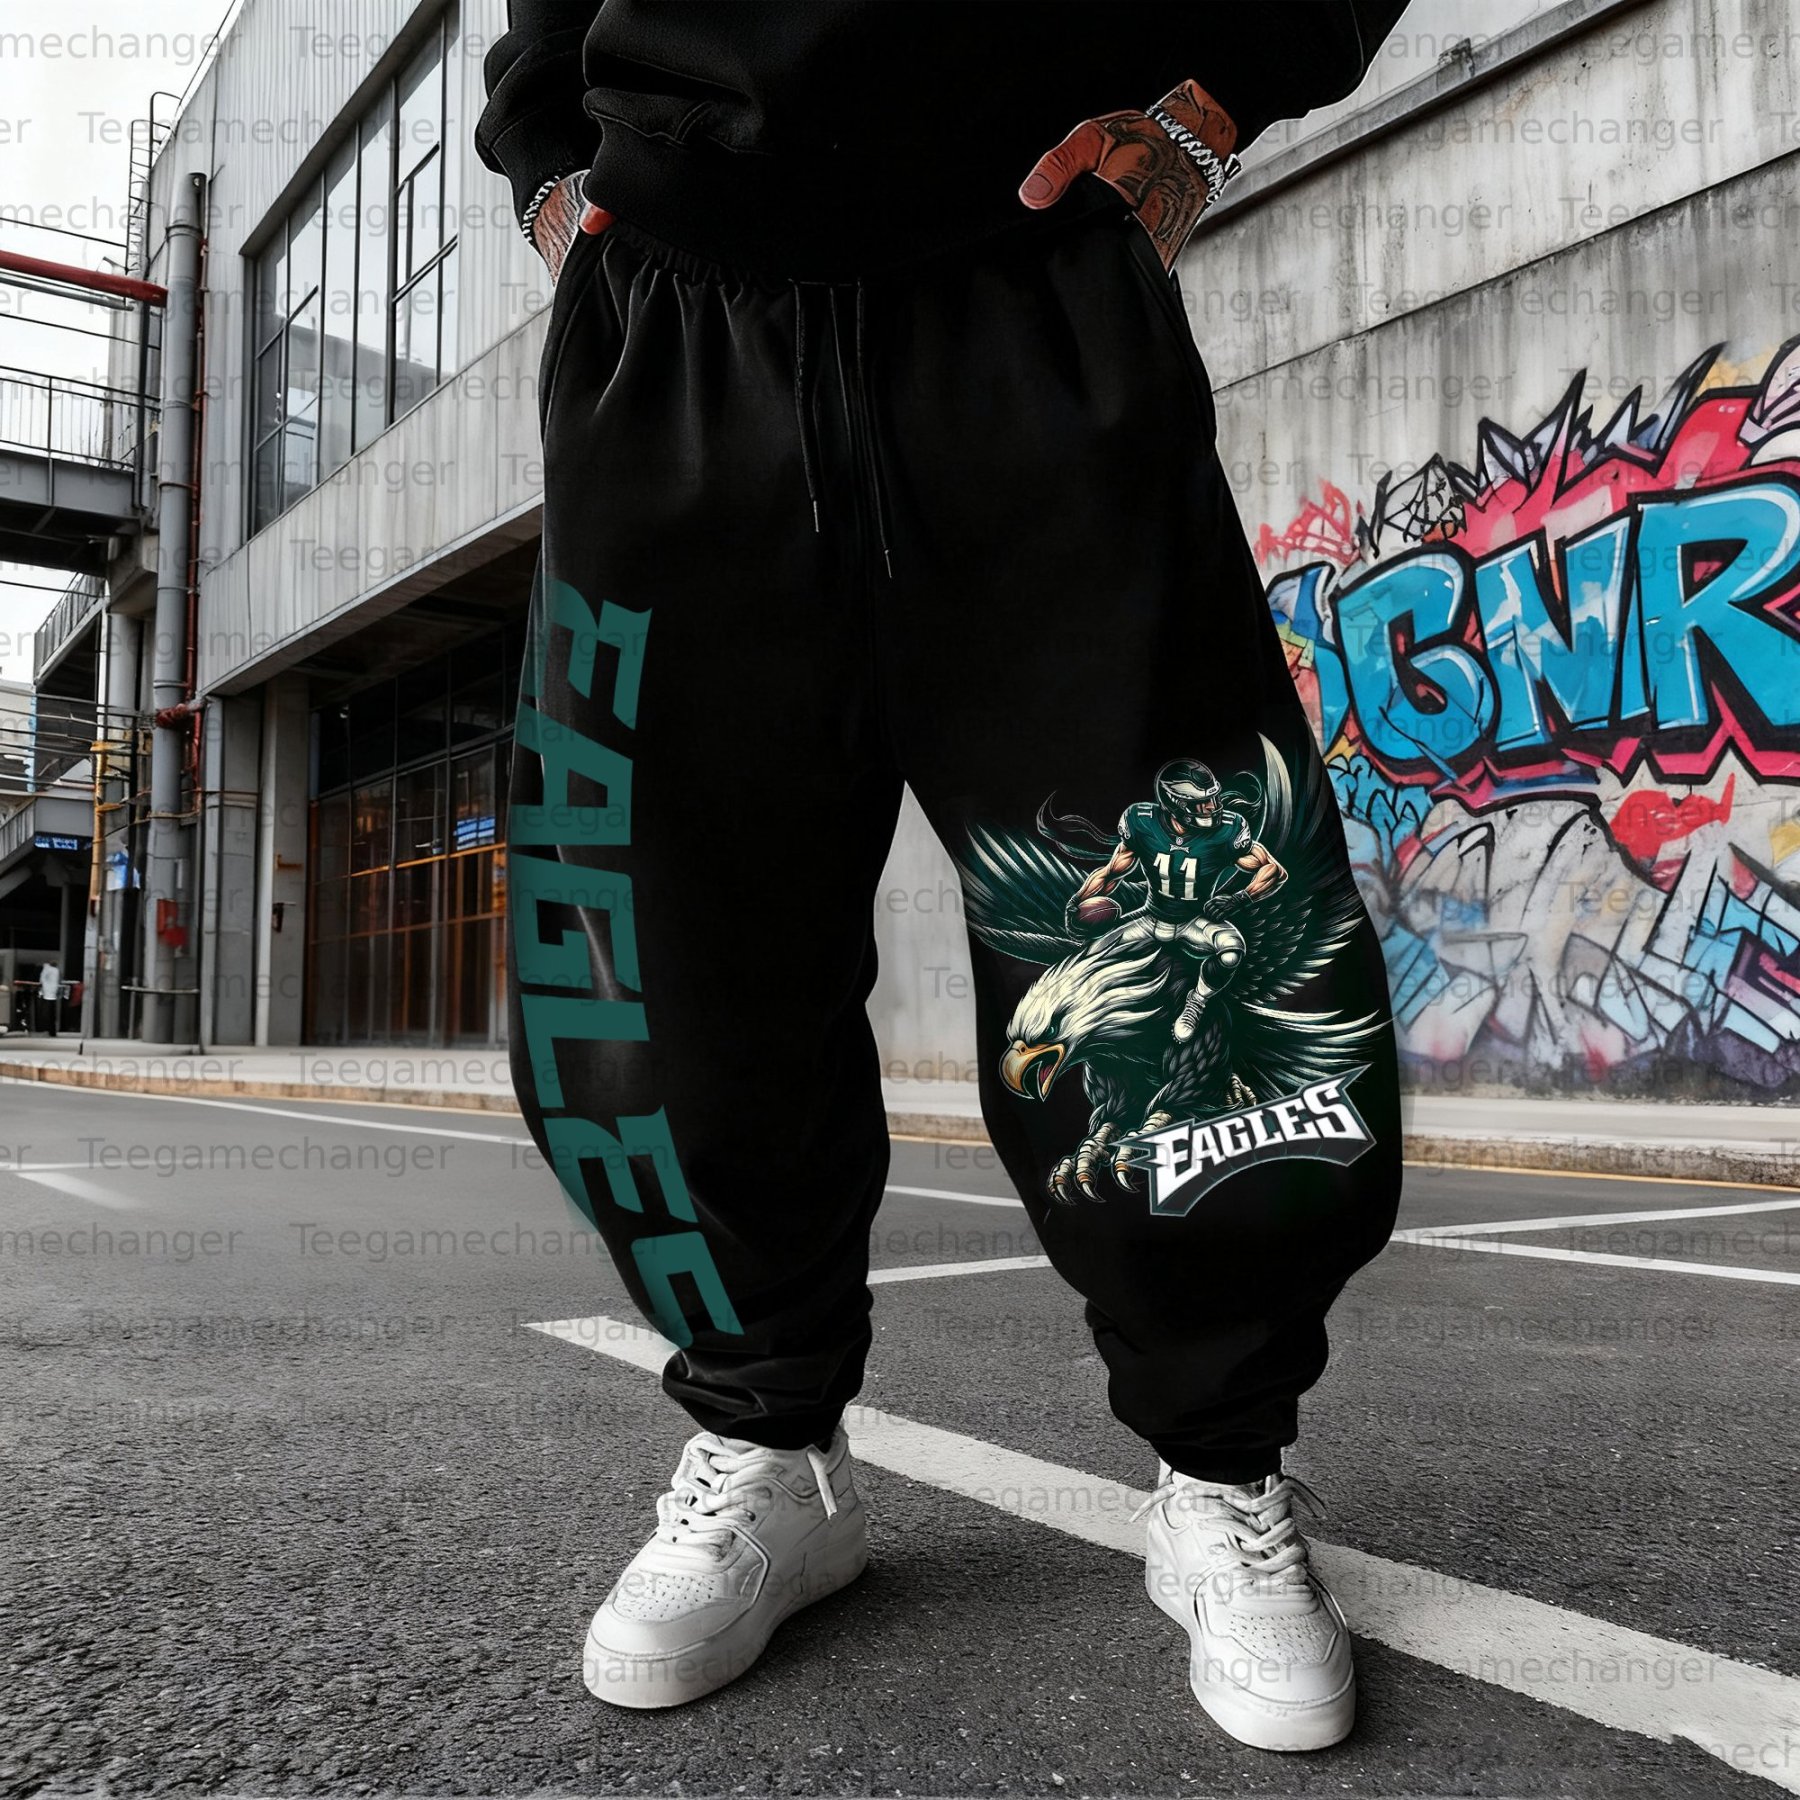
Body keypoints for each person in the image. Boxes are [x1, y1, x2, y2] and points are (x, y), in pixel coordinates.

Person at [478, 0, 1408, 1752]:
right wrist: (547, 167)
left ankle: (1222, 1464)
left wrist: (1213, 102)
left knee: (1183, 907)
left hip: (1029, 278)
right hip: (674, 312)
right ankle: (765, 1439)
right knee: (660, 934)